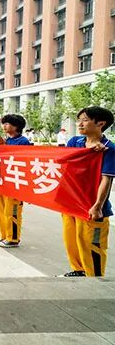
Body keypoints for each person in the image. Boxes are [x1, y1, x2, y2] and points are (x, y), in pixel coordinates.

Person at [61, 106, 114, 277]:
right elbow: (61, 162)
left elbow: (106, 179)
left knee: (91, 245)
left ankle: (95, 279)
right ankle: (78, 270)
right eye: (79, 120)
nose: (80, 124)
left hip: (92, 207)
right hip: (71, 204)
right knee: (72, 241)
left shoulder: (108, 149)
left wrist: (97, 205)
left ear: (100, 123)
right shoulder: (74, 142)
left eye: (85, 120)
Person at [0, 114, 31, 247]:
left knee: (12, 211)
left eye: (7, 123)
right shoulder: (7, 140)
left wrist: (4, 146)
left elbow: (21, 160)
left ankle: (13, 238)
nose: (4, 126)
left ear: (16, 126)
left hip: (15, 182)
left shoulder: (23, 141)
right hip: (2, 180)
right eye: (4, 123)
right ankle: (3, 235)